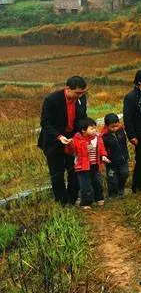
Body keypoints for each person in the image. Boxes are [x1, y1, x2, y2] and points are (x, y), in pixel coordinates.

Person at [37, 76, 89, 206]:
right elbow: (46, 123)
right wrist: (59, 137)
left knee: (74, 170)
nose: (80, 95)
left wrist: (85, 132)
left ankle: (72, 198)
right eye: (77, 93)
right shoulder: (52, 100)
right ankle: (61, 202)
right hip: (54, 141)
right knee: (57, 173)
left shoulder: (81, 99)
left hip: (72, 140)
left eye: (82, 93)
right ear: (67, 89)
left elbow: (82, 118)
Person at [64, 117, 110, 209]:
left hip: (95, 165)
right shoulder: (76, 139)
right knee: (85, 186)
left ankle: (99, 198)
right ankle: (85, 203)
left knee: (97, 183)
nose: (94, 130)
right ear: (83, 130)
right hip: (82, 168)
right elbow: (70, 151)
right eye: (91, 128)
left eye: (94, 128)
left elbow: (101, 149)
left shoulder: (97, 138)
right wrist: (69, 144)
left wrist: (103, 156)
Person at [101, 113, 130, 199]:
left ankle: (120, 188)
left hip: (123, 159)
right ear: (107, 126)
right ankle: (112, 194)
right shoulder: (104, 136)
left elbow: (124, 144)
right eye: (112, 127)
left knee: (124, 173)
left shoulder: (121, 131)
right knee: (112, 177)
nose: (114, 129)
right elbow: (102, 149)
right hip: (111, 162)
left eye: (116, 126)